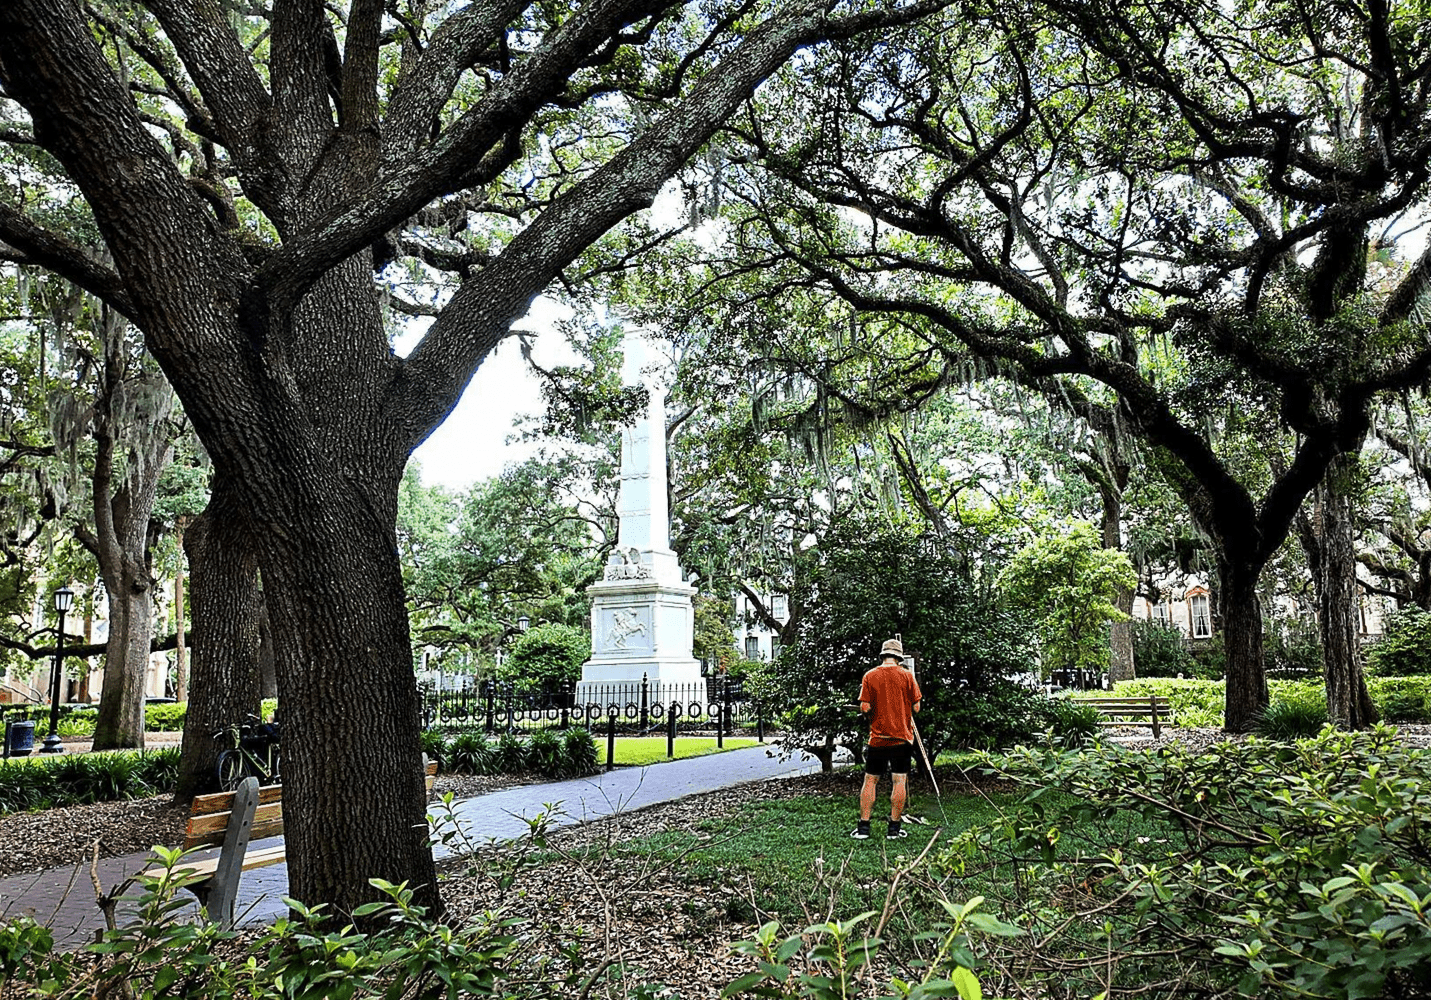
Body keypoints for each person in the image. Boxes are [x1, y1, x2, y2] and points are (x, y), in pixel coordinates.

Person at [852, 636, 922, 840]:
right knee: (899, 780)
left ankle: (864, 828)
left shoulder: (870, 675)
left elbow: (865, 707)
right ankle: (894, 829)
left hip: (878, 738)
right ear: (899, 657)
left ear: (883, 655)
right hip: (901, 738)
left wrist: (871, 713)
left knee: (870, 780)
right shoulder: (907, 676)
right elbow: (916, 707)